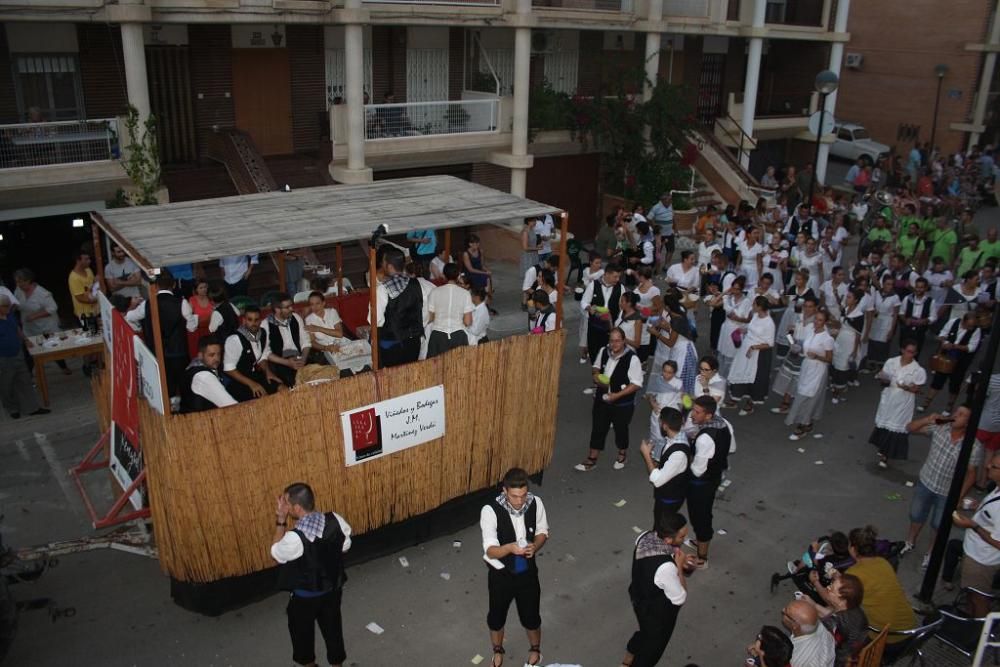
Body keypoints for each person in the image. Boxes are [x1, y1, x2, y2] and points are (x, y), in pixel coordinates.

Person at [271, 482, 353, 667]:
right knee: (333, 631)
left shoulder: (294, 538)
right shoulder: (336, 520)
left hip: (304, 599)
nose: (284, 506)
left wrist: (281, 519)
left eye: (287, 503)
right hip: (332, 591)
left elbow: (275, 554)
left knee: (302, 637)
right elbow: (345, 546)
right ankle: (337, 664)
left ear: (297, 508)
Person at [480, 467, 548, 667]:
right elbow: (490, 550)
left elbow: (543, 531)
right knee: (496, 617)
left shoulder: (535, 503)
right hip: (501, 575)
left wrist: (535, 545)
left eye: (523, 495)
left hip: (527, 572)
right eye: (514, 496)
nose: (520, 501)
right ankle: (498, 650)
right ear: (504, 491)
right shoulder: (490, 511)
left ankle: (535, 650)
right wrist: (510, 548)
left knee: (532, 617)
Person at [900, 407, 983, 568]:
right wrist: (927, 419)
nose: (955, 416)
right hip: (926, 482)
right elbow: (909, 428)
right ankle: (910, 541)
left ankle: (931, 552)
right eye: (956, 412)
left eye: (962, 415)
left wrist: (958, 496)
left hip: (947, 492)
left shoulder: (973, 445)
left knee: (939, 524)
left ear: (968, 423)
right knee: (916, 514)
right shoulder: (940, 428)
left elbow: (971, 474)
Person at [621, 512, 694, 667]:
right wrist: (679, 567)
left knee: (644, 633)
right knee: (652, 650)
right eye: (682, 537)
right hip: (657, 614)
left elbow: (658, 554)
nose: (684, 540)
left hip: (639, 598)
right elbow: (680, 597)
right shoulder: (666, 567)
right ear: (668, 539)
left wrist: (677, 557)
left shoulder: (645, 537)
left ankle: (627, 659)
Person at [575, 327, 643, 472]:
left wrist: (617, 395)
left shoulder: (632, 358)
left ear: (624, 341)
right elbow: (596, 367)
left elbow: (636, 384)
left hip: (622, 402)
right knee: (598, 427)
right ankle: (592, 458)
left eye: (617, 341)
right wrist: (596, 377)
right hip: (602, 398)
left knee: (621, 429)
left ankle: (622, 453)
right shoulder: (603, 351)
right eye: (612, 341)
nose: (614, 344)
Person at [843, 526, 916, 644]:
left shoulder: (853, 573)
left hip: (887, 639)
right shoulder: (883, 562)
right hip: (912, 630)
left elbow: (840, 604)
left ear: (853, 549)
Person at [684, 396, 731, 568]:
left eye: (697, 412)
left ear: (709, 415)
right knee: (704, 513)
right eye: (693, 410)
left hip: (701, 483)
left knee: (700, 517)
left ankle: (702, 558)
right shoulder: (723, 424)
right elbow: (731, 447)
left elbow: (697, 470)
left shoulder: (705, 439)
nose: (692, 415)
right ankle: (699, 541)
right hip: (715, 475)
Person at [951, 458, 1000, 618]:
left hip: (981, 560)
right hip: (975, 553)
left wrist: (973, 525)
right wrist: (978, 507)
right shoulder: (996, 488)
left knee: (978, 598)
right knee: (972, 595)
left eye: (993, 466)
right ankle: (971, 617)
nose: (987, 466)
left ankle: (978, 630)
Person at [870, 341, 927, 468]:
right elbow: (884, 381)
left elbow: (918, 389)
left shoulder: (918, 370)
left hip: (903, 401)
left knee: (896, 426)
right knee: (885, 422)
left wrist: (907, 388)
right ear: (902, 350)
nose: (910, 354)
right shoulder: (891, 362)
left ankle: (886, 455)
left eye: (913, 352)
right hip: (889, 397)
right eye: (908, 351)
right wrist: (882, 378)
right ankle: (882, 447)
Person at [136, 271, 190, 398]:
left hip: (156, 353)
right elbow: (191, 327)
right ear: (174, 285)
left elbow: (130, 317)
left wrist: (140, 327)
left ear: (156, 286)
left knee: (163, 388)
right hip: (178, 352)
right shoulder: (182, 303)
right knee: (182, 386)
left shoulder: (147, 304)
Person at [786, 309, 835, 441]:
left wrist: (817, 356)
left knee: (809, 396)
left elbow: (830, 359)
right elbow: (803, 347)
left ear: (825, 322)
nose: (816, 322)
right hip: (806, 367)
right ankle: (806, 422)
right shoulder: (810, 332)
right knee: (802, 392)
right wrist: (797, 347)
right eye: (816, 319)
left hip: (818, 369)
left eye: (820, 320)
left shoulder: (827, 339)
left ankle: (803, 424)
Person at [0, 294, 49, 419]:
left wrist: (25, 340)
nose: (8, 308)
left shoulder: (10, 315)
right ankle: (12, 408)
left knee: (25, 380)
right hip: (3, 357)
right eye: (6, 306)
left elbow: (17, 329)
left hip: (17, 352)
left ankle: (32, 407)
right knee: (7, 383)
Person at [921, 312, 981, 414]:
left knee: (955, 384)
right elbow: (943, 334)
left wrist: (954, 346)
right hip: (945, 356)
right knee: (937, 380)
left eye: (973, 326)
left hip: (961, 360)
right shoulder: (953, 322)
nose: (971, 328)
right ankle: (925, 403)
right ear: (963, 321)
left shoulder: (977, 330)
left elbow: (972, 347)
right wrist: (943, 342)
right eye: (969, 326)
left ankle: (949, 407)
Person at [13, 268, 70, 375]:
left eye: (20, 281)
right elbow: (16, 303)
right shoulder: (18, 290)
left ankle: (63, 367)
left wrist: (35, 316)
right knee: (29, 353)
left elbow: (53, 308)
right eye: (17, 281)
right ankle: (29, 376)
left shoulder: (42, 293)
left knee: (53, 349)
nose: (18, 284)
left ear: (28, 280)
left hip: (46, 327)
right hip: (29, 329)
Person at [374, 248, 424, 368]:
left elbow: (376, 320)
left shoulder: (382, 289)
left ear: (389, 266)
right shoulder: (416, 283)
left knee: (391, 378)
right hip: (414, 340)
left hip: (392, 342)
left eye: (383, 263)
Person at [640, 407, 691, 523]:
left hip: (670, 497)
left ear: (664, 426)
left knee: (663, 524)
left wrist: (646, 455)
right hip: (668, 493)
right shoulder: (676, 438)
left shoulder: (678, 453)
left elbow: (658, 480)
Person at [805, 573, 868, 667]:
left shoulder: (834, 623)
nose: (827, 589)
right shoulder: (854, 607)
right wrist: (814, 605)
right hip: (858, 648)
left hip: (840, 661)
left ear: (842, 600)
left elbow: (816, 636)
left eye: (831, 589)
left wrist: (806, 612)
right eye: (831, 585)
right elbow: (831, 615)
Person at [223, 304, 282, 402]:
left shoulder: (263, 333)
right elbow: (228, 369)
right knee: (265, 400)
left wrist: (268, 372)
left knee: (282, 389)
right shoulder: (234, 339)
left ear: (260, 320)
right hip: (239, 382)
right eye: (250, 319)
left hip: (256, 376)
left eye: (256, 320)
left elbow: (262, 356)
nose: (253, 323)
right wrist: (252, 384)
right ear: (244, 320)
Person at [728, 296, 775, 416]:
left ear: (760, 307)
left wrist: (754, 347)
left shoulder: (769, 323)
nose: (752, 306)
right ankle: (736, 397)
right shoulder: (755, 316)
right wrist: (743, 331)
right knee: (741, 371)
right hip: (746, 348)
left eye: (754, 304)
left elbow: (769, 343)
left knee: (755, 377)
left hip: (758, 353)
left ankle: (751, 403)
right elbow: (751, 328)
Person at [179, 335, 237, 412]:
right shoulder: (204, 377)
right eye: (211, 355)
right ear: (200, 356)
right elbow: (231, 405)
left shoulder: (193, 365)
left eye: (219, 354)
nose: (216, 359)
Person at [427, 263, 474, 356]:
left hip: (438, 336)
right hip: (458, 336)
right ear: (458, 276)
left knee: (436, 368)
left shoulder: (434, 292)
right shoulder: (465, 294)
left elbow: (430, 318)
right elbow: (468, 322)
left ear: (444, 275)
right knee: (458, 368)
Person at [265, 293, 311, 388]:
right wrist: (287, 363)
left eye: (291, 305)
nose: (291, 309)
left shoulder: (296, 318)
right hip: (280, 362)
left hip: (300, 356)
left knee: (321, 376)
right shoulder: (265, 326)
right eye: (287, 307)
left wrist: (303, 359)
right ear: (277, 309)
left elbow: (306, 342)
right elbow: (266, 353)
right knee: (296, 385)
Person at [581, 264, 623, 363]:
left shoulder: (620, 287)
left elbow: (622, 308)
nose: (617, 279)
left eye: (619, 277)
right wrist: (588, 308)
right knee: (594, 353)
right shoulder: (593, 285)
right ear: (607, 274)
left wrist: (616, 324)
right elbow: (584, 301)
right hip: (594, 327)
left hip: (610, 327)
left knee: (609, 354)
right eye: (615, 276)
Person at [780, 599, 836, 667]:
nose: (783, 610)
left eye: (786, 612)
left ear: (795, 625)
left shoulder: (796, 658)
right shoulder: (815, 623)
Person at [717, 276, 751, 378]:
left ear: (741, 289)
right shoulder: (728, 298)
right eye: (733, 288)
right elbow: (715, 302)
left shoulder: (746, 301)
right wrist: (725, 293)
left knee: (731, 355)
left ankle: (728, 378)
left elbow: (748, 319)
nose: (735, 291)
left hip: (736, 331)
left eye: (737, 289)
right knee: (722, 354)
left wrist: (737, 318)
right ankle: (719, 376)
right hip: (726, 328)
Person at [867, 274, 900, 371]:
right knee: (873, 341)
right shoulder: (876, 293)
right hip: (876, 320)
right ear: (883, 284)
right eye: (887, 284)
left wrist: (892, 330)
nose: (889, 286)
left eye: (891, 284)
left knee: (883, 344)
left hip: (887, 321)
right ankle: (872, 362)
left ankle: (882, 364)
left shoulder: (895, 297)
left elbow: (895, 315)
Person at [897, 277, 935, 356]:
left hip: (920, 330)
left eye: (921, 287)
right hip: (907, 329)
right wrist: (905, 320)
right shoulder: (908, 298)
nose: (918, 289)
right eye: (917, 287)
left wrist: (924, 321)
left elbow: (933, 316)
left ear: (925, 288)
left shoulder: (930, 301)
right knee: (902, 350)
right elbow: (901, 312)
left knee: (915, 352)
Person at [304, 291, 344, 365]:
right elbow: (312, 342)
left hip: (342, 344)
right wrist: (326, 348)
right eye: (312, 304)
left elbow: (339, 334)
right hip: (325, 350)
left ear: (323, 303)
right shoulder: (309, 319)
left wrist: (318, 329)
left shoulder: (332, 312)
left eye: (317, 303)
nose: (315, 307)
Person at [462, 235, 495, 315]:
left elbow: (482, 265)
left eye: (478, 243)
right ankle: (485, 299)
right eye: (476, 243)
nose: (478, 245)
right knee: (485, 277)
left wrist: (487, 270)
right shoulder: (466, 254)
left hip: (479, 272)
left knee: (487, 278)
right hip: (470, 274)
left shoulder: (480, 251)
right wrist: (484, 273)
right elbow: (470, 269)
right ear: (470, 244)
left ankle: (487, 301)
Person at [185, 278, 214, 360]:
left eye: (205, 287)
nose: (204, 289)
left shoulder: (211, 298)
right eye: (201, 288)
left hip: (210, 330)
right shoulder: (192, 300)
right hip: (198, 332)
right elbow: (189, 318)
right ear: (196, 289)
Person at [68, 248, 99, 323]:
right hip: (85, 315)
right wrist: (98, 299)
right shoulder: (74, 278)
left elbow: (92, 286)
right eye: (86, 259)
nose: (89, 261)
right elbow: (80, 298)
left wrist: (96, 281)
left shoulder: (88, 270)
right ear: (78, 261)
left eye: (89, 259)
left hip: (96, 310)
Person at [615, 292, 647, 357]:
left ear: (629, 303)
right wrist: (609, 319)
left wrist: (623, 339)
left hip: (627, 353)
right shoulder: (621, 312)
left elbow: (637, 344)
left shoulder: (637, 320)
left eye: (622, 301)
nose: (620, 303)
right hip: (616, 348)